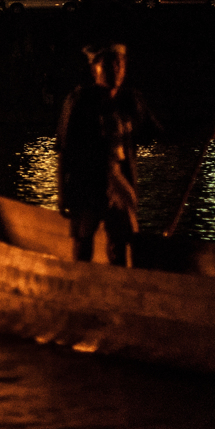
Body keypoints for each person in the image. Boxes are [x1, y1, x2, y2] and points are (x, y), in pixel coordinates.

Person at [56, 43, 160, 266]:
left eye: (120, 63)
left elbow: (158, 133)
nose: (117, 69)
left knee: (121, 242)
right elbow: (64, 150)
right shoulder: (79, 101)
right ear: (95, 69)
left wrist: (203, 131)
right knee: (83, 242)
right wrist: (62, 193)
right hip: (86, 183)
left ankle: (118, 284)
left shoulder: (130, 100)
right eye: (110, 63)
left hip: (119, 181)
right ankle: (80, 284)